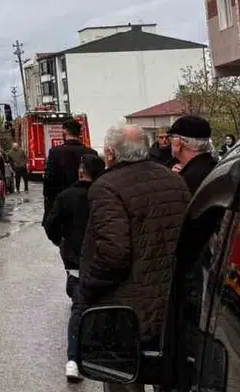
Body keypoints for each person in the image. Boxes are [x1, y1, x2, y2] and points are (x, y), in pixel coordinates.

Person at [78, 125, 191, 392]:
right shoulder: (174, 181)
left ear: (109, 153)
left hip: (124, 309)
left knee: (124, 379)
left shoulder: (106, 187)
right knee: (167, 376)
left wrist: (88, 286)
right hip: (170, 302)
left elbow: (113, 254)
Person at [45, 153, 106, 383]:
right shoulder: (104, 196)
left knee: (78, 305)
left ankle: (74, 359)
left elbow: (50, 224)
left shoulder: (66, 196)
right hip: (102, 261)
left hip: (74, 261)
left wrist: (60, 241)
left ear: (81, 171)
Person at [42, 118, 95, 223]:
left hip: (62, 205)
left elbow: (49, 180)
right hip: (85, 205)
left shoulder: (55, 152)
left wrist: (49, 207)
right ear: (79, 133)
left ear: (65, 131)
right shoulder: (91, 153)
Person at [168, 115, 218, 195]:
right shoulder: (214, 166)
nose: (169, 142)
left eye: (171, 137)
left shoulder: (187, 180)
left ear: (178, 142)